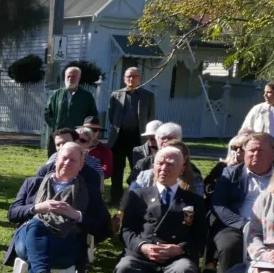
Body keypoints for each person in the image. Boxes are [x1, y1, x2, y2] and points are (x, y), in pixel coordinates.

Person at [7, 143, 109, 273]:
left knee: (40, 259)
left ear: (81, 166)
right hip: (26, 241)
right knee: (36, 226)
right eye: (63, 158)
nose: (67, 163)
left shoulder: (88, 191)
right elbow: (12, 213)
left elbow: (104, 227)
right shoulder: (33, 183)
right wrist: (37, 207)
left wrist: (76, 215)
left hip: (66, 244)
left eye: (73, 160)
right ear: (56, 161)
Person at [211, 132, 274, 273]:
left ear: (272, 153)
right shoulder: (231, 173)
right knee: (230, 246)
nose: (255, 154)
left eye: (260, 151)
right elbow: (218, 204)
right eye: (251, 150)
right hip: (236, 226)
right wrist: (244, 224)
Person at [107, 67, 156, 204]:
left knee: (138, 168)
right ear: (124, 78)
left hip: (137, 137)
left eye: (134, 76)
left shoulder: (148, 96)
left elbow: (150, 118)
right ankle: (115, 197)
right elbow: (112, 116)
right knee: (117, 168)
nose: (131, 79)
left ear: (140, 78)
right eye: (128, 76)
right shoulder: (116, 94)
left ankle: (135, 197)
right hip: (119, 137)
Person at [43, 66, 98, 156]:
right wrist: (55, 124)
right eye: (68, 76)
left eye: (73, 76)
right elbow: (47, 112)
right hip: (58, 135)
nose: (70, 78)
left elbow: (92, 116)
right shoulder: (57, 94)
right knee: (54, 159)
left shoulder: (86, 96)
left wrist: (84, 131)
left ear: (79, 77)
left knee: (74, 158)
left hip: (76, 136)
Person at [130, 139, 204, 198]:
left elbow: (195, 207)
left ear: (184, 159)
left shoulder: (195, 179)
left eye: (177, 154)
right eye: (167, 153)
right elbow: (132, 198)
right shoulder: (146, 176)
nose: (164, 168)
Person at [81, 116, 113, 181]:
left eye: (94, 130)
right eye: (88, 129)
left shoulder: (104, 150)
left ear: (98, 131)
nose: (91, 132)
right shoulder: (74, 147)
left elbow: (107, 171)